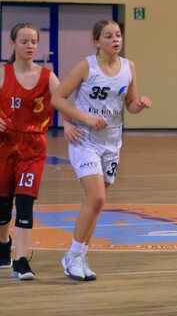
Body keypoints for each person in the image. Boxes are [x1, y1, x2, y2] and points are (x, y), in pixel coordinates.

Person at [51, 20, 151, 281]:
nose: (115, 39)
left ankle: (81, 255)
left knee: (95, 203)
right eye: (108, 36)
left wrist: (140, 104)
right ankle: (72, 255)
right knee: (96, 198)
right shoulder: (86, 66)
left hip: (112, 142)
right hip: (85, 140)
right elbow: (57, 98)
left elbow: (130, 105)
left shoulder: (129, 67)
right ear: (96, 41)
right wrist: (84, 118)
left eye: (118, 35)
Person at [0, 23, 60, 279]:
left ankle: (21, 260)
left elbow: (64, 102)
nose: (30, 46)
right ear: (12, 44)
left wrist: (74, 123)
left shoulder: (48, 77)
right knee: (3, 207)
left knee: (25, 203)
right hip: (4, 145)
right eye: (24, 41)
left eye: (33, 41)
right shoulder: (3, 73)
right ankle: (4, 244)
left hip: (33, 147)